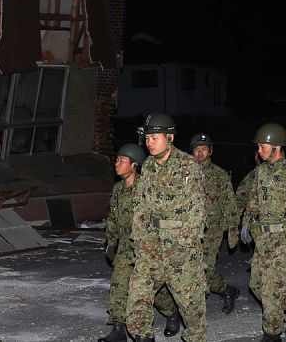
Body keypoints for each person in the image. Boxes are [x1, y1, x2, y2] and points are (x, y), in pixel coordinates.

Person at [126, 113, 207, 342]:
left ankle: (196, 338)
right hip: (152, 245)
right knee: (137, 298)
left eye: (154, 137)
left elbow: (197, 210)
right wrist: (139, 240)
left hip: (180, 247)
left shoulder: (187, 165)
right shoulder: (149, 166)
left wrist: (184, 245)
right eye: (147, 138)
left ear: (169, 137)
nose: (149, 142)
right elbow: (141, 206)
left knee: (191, 305)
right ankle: (143, 337)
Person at [99, 143, 180, 342]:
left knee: (150, 289)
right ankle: (119, 329)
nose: (116, 164)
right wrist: (111, 242)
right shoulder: (118, 189)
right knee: (119, 284)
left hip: (144, 245)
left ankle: (171, 313)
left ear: (134, 165)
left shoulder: (145, 188)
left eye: (121, 161)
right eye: (116, 160)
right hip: (125, 245)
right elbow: (113, 218)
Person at [240, 123, 286, 341]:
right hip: (264, 240)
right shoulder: (261, 172)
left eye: (262, 146)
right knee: (256, 285)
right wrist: (247, 222)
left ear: (276, 147)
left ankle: (272, 334)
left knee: (271, 294)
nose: (259, 151)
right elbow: (253, 202)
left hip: (284, 240)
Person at [189, 133, 240, 314]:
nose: (200, 153)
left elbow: (229, 201)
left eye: (204, 149)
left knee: (205, 266)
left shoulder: (219, 174)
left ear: (210, 151)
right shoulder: (186, 173)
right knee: (192, 266)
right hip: (190, 228)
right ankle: (226, 290)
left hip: (213, 227)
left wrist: (233, 228)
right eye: (196, 149)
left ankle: (197, 309)